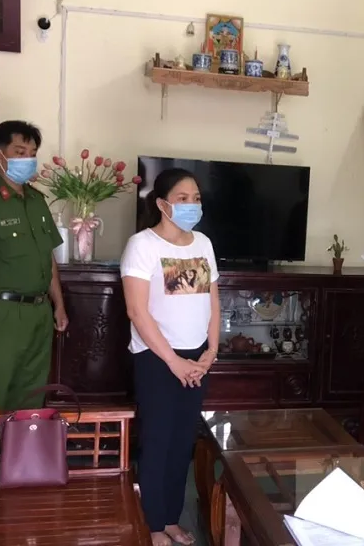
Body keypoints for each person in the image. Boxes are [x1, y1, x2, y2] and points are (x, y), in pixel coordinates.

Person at [120, 168, 220, 546]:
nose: (192, 205)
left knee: (182, 443)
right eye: (183, 199)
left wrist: (211, 351)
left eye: (197, 198)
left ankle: (172, 519)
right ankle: (152, 524)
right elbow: (137, 311)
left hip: (196, 360)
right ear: (162, 204)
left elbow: (213, 301)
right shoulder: (142, 245)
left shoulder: (203, 244)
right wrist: (174, 362)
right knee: (158, 440)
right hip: (157, 358)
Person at [0, 120, 68, 413]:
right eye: (20, 152)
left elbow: (47, 257)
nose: (27, 159)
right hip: (2, 313)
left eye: (32, 153)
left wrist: (59, 304)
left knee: (32, 392)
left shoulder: (36, 200)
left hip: (39, 312)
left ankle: (21, 444)